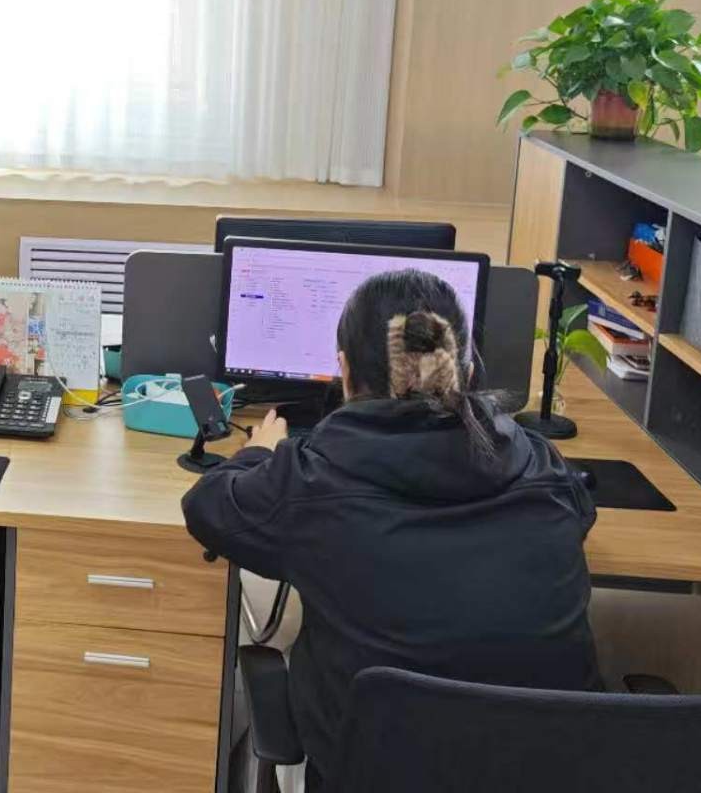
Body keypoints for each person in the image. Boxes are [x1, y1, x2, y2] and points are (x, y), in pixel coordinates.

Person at [183, 269, 599, 788]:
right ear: (467, 373)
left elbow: (207, 507)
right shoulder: (540, 466)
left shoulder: (310, 484)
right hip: (546, 775)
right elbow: (580, 513)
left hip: (369, 773)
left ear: (343, 371)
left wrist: (259, 454)